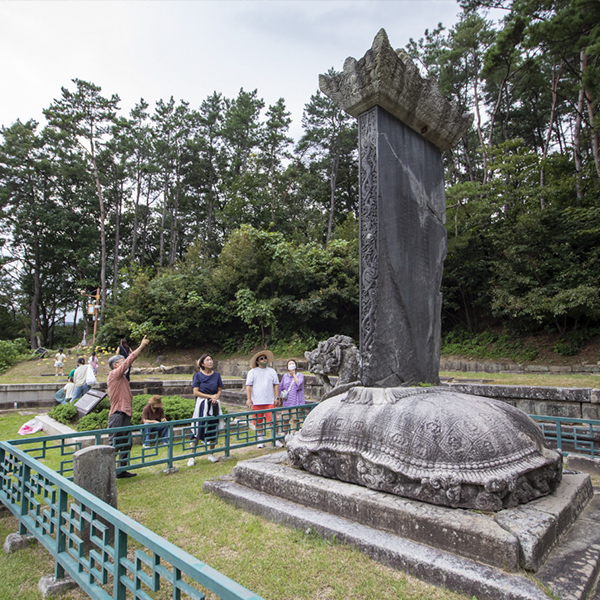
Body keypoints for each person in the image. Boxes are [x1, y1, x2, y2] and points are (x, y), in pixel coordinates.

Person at [107, 335, 150, 478]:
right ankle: (107, 472)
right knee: (112, 444)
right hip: (117, 414)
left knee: (127, 443)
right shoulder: (114, 375)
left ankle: (121, 471)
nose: (125, 363)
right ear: (115, 365)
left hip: (124, 414)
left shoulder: (122, 378)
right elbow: (129, 360)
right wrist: (142, 346)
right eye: (122, 362)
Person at [188, 354, 223, 466]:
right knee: (197, 428)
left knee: (213, 427)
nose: (210, 362)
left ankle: (211, 453)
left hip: (214, 404)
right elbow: (195, 392)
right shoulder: (197, 376)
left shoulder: (216, 375)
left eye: (211, 359)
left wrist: (216, 397)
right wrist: (209, 397)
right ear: (202, 363)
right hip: (202, 403)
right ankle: (192, 456)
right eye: (207, 360)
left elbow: (219, 389)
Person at [245, 350, 282, 449]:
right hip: (257, 401)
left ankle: (276, 438)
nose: (264, 360)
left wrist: (277, 397)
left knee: (273, 421)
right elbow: (248, 386)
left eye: (265, 358)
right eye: (261, 359)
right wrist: (249, 399)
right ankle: (260, 440)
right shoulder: (252, 372)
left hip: (269, 401)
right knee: (258, 422)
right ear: (257, 361)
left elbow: (276, 385)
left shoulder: (272, 371)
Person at [279, 358, 305, 436]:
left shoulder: (300, 375)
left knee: (295, 419)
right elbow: (281, 387)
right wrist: (280, 399)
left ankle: (295, 434)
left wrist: (293, 374)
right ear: (287, 367)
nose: (291, 365)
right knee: (285, 419)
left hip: (296, 401)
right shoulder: (285, 376)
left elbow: (299, 384)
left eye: (293, 363)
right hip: (286, 401)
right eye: (290, 364)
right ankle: (285, 434)